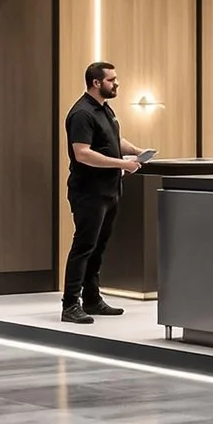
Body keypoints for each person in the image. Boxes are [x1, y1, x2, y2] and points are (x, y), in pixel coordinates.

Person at [62, 61, 141, 325]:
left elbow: (113, 141)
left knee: (98, 247)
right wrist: (122, 164)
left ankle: (92, 299)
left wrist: (137, 152)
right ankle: (70, 304)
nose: (116, 83)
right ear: (96, 83)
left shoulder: (105, 110)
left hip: (109, 189)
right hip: (89, 191)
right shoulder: (82, 113)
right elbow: (82, 154)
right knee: (83, 246)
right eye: (111, 80)